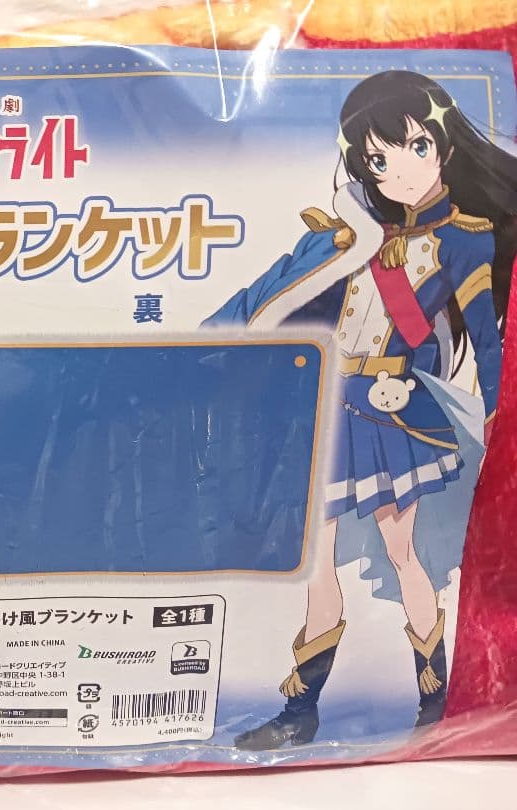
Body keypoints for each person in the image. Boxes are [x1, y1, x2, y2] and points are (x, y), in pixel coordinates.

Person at [205, 71, 517, 749]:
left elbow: (486, 339)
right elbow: (285, 300)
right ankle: (300, 711)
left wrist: (494, 419)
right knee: (314, 561)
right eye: (378, 159)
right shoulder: (353, 234)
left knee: (404, 555)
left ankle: (436, 697)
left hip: (391, 411)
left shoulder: (465, 238)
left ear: (442, 147)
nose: (397, 170)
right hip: (326, 411)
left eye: (413, 148)